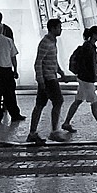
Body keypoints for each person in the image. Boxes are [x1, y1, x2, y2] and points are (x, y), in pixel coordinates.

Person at [62, 25, 97, 134]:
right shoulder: (88, 47)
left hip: (84, 78)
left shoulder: (90, 46)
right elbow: (86, 64)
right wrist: (89, 75)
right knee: (94, 102)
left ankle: (66, 123)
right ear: (94, 35)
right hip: (86, 79)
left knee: (78, 101)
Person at [26, 17, 67, 146]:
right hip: (48, 79)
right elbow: (38, 62)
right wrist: (40, 80)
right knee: (58, 101)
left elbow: (53, 59)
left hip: (50, 77)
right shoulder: (45, 42)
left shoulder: (52, 42)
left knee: (40, 105)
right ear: (53, 28)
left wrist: (60, 71)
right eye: (59, 27)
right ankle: (54, 131)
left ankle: (32, 133)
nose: (61, 30)